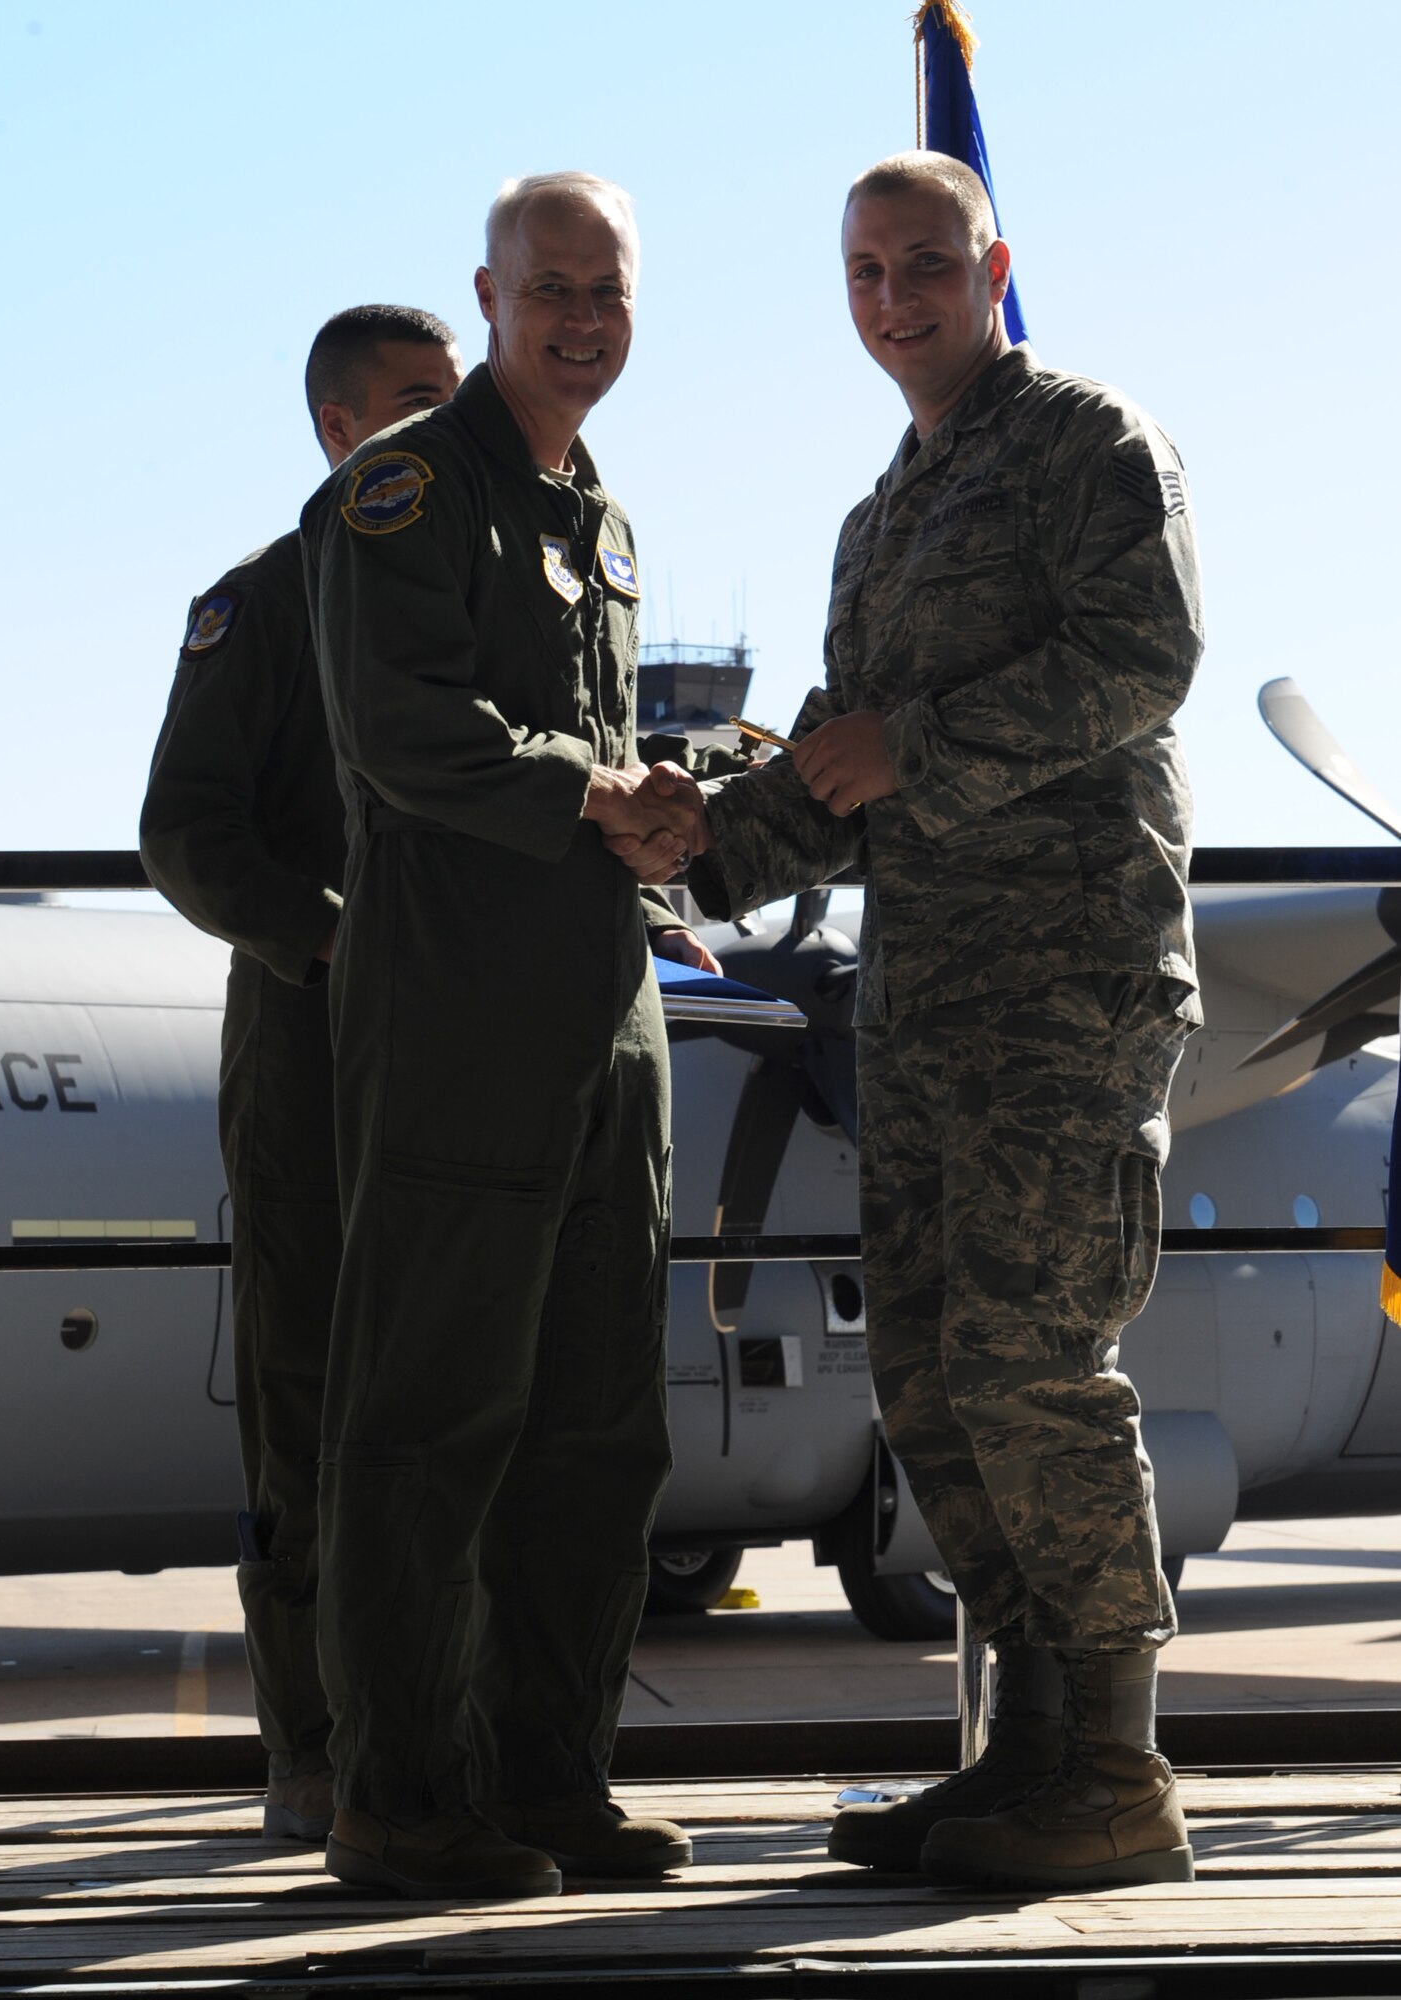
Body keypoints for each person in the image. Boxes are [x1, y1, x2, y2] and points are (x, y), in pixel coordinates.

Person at [614, 151, 1205, 1893]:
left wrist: (917, 752)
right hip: (929, 1006)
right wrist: (693, 835)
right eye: (866, 271)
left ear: (990, 264)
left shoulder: (1089, 444)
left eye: (924, 264)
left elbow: (1146, 656)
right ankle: (1027, 1749)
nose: (895, 298)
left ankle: (1117, 1768)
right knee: (936, 1385)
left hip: (1068, 989)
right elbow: (837, 770)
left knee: (1037, 1369)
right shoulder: (884, 516)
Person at [300, 172, 711, 1902]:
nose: (581, 320)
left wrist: (682, 814)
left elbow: (603, 747)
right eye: (551, 289)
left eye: (607, 291)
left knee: (600, 1429)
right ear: (490, 296)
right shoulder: (406, 496)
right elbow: (403, 729)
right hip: (462, 1013)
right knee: (431, 1422)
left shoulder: (598, 518)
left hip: (607, 1019)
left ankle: (551, 1780)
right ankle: (402, 1796)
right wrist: (599, 791)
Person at [139, 305, 464, 1842]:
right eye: (415, 402)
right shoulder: (263, 608)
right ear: (340, 432)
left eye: (453, 397)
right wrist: (328, 942)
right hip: (314, 1057)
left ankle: (456, 1738)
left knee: (473, 1394)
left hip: (480, 1061)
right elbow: (187, 831)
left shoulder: (483, 603)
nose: (444, 422)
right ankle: (317, 1747)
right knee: (309, 1399)